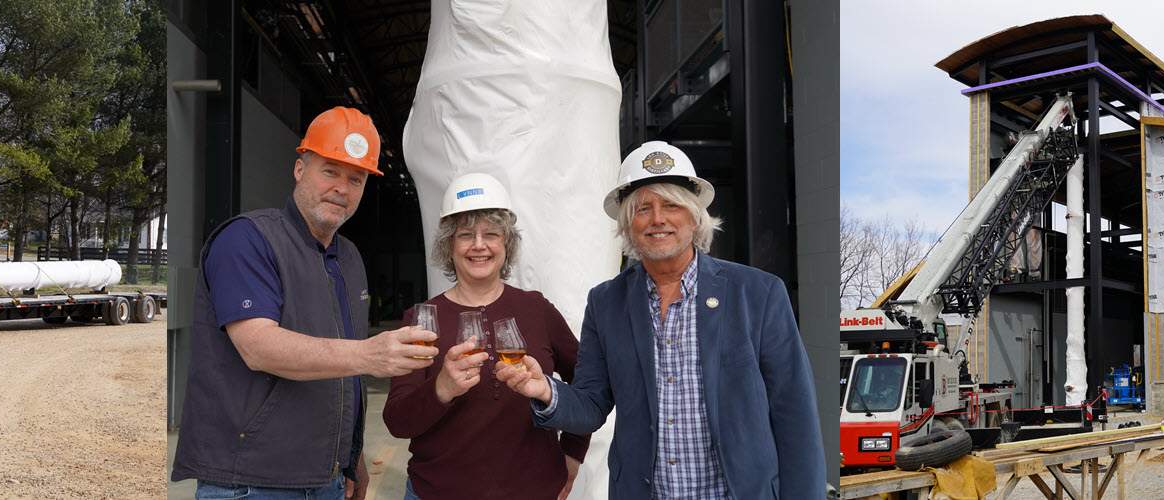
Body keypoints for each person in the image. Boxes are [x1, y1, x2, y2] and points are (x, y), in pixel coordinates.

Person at [496, 141, 827, 499]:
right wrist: (545, 390)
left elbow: (795, 416)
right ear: (627, 224)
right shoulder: (606, 302)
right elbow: (592, 404)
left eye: (672, 205)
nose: (658, 219)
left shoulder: (758, 294)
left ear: (694, 216)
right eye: (642, 209)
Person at [173, 106, 439, 500]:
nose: (342, 189)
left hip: (326, 479)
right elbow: (258, 347)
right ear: (300, 169)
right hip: (251, 482)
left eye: (356, 178)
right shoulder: (247, 239)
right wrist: (371, 354)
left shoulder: (349, 259)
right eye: (329, 170)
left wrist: (352, 457)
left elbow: (340, 374)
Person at [383, 173, 590, 500]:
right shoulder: (422, 319)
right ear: (449, 245)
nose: (479, 245)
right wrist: (441, 389)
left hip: (533, 491)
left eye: (491, 234)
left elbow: (589, 387)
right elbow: (397, 421)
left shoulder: (536, 309)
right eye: (465, 235)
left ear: (506, 244)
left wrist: (574, 451)